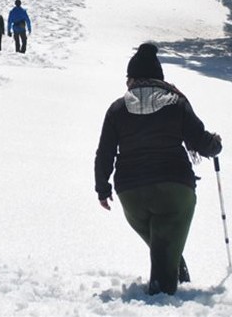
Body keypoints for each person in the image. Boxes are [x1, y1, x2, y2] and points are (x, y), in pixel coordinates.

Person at [94, 43, 222, 296]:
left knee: (161, 240)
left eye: (128, 78)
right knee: (166, 237)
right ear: (158, 77)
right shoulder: (176, 103)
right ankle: (162, 295)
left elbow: (105, 153)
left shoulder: (117, 109)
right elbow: (199, 141)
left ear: (133, 78)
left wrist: (102, 188)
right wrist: (215, 145)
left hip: (131, 193)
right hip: (175, 189)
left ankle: (176, 274)